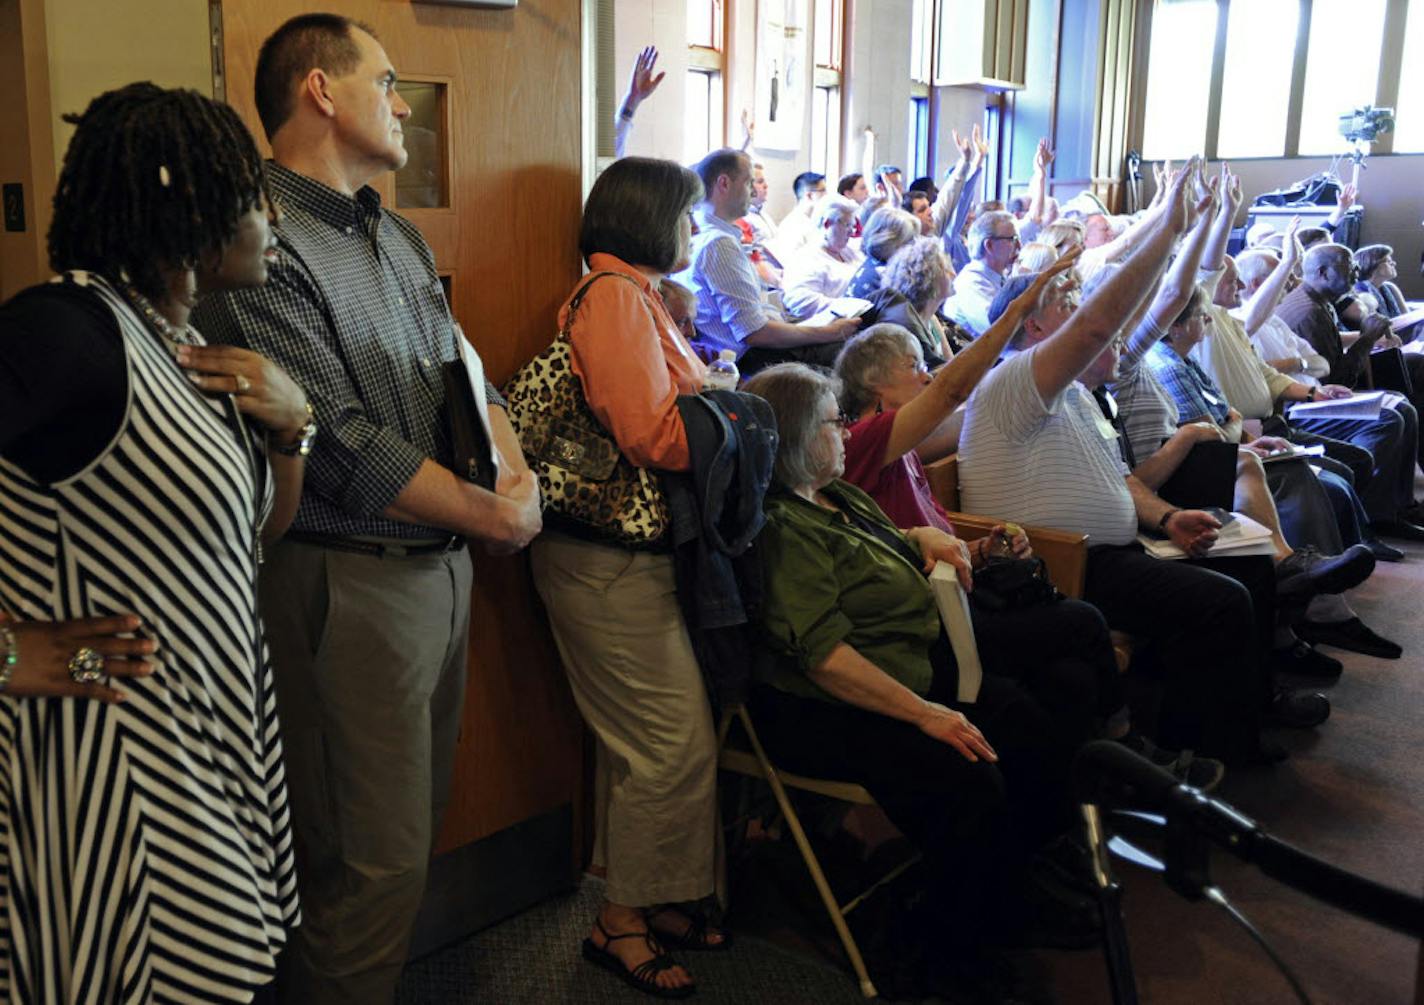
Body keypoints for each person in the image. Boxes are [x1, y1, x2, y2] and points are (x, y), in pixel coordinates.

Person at [191, 15, 543, 1003]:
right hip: (345, 577)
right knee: (364, 862)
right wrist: (491, 515)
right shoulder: (259, 236)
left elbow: (463, 375)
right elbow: (337, 441)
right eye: (385, 82)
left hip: (438, 566)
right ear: (319, 91)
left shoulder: (384, 231)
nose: (401, 104)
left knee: (406, 840)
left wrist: (511, 481)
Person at [0, 82, 312, 1004]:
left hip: (206, 736)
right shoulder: (66, 333)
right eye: (254, 194)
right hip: (110, 758)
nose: (273, 216)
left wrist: (292, 428)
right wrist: (9, 650)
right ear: (190, 204)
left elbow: (250, 540)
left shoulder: (174, 343)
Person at [744, 362, 1094, 1003]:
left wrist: (920, 535)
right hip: (824, 707)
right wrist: (925, 713)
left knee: (1020, 719)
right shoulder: (781, 528)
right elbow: (823, 657)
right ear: (795, 438)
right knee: (967, 776)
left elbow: (877, 540)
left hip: (900, 667)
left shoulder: (833, 495)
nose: (847, 432)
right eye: (833, 423)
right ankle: (957, 949)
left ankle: (1025, 882)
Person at [959, 161, 1327, 767]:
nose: (1081, 315)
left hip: (1114, 547)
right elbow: (1105, 321)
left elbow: (1120, 479)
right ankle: (1202, 750)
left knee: (1251, 562)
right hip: (1064, 563)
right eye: (1066, 305)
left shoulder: (1072, 391)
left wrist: (1165, 518)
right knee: (1220, 600)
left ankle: (1234, 720)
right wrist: (1171, 224)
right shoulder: (1012, 380)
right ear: (1031, 326)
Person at [528, 156, 728, 1000]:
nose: (694, 232)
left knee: (642, 744)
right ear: (649, 218)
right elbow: (653, 435)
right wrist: (729, 414)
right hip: (604, 556)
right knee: (670, 743)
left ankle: (638, 896)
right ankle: (618, 925)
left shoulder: (633, 294)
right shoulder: (612, 298)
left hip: (619, 556)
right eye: (687, 217)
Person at [673, 148, 860, 374]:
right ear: (724, 184)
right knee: (860, 349)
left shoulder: (712, 235)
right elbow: (754, 333)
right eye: (749, 182)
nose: (753, 192)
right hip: (750, 358)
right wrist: (828, 332)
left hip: (756, 343)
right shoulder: (718, 243)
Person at [874, 236, 966, 365]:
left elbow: (951, 366)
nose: (953, 274)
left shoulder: (932, 317)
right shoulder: (906, 327)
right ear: (927, 278)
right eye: (946, 270)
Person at [781, 195, 863, 321]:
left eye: (852, 225)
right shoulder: (805, 258)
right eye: (846, 225)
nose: (851, 231)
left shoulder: (850, 251)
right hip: (836, 327)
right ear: (827, 224)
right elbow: (799, 302)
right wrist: (849, 306)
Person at [945, 211, 1020, 337]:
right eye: (1012, 240)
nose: (1019, 246)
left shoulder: (999, 276)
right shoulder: (970, 283)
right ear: (989, 245)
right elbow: (1000, 329)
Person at [844, 206, 920, 298]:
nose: (914, 247)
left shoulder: (872, 264)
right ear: (887, 242)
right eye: (908, 241)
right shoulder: (884, 276)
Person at [774, 171, 828, 257]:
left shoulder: (818, 219)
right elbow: (792, 261)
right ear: (809, 196)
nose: (827, 195)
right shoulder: (791, 225)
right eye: (823, 191)